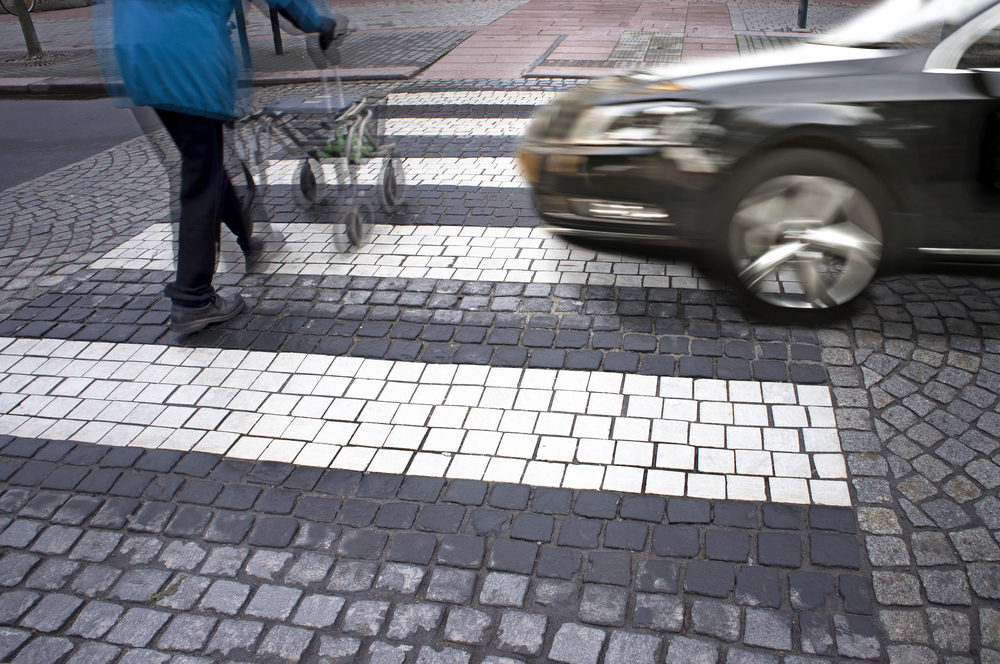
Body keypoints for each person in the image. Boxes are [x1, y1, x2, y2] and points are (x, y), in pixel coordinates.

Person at [112, 0, 335, 335]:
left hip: (138, 53)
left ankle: (247, 237)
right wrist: (318, 21)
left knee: (206, 161)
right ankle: (193, 298)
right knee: (202, 175)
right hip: (189, 54)